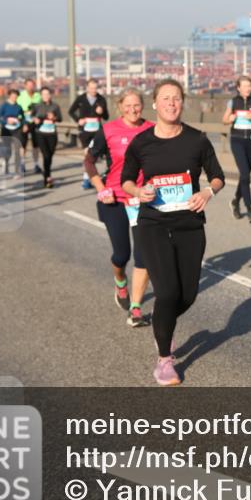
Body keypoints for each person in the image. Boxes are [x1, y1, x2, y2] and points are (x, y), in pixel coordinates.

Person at [121, 79, 225, 386]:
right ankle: (165, 359)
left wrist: (207, 193)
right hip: (152, 223)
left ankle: (162, 324)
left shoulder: (197, 140)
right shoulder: (142, 142)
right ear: (154, 104)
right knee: (167, 292)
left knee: (187, 294)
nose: (171, 103)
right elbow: (126, 180)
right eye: (165, 98)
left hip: (189, 224)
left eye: (176, 98)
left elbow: (217, 177)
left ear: (183, 103)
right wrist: (138, 191)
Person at [83, 87, 154, 328]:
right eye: (128, 105)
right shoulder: (109, 130)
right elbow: (89, 160)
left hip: (141, 200)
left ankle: (136, 308)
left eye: (137, 105)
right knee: (122, 255)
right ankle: (120, 280)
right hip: (113, 199)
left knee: (143, 254)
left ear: (142, 106)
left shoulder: (152, 129)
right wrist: (100, 188)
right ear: (120, 107)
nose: (133, 110)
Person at [221, 75, 251, 222]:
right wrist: (230, 119)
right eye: (244, 86)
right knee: (245, 174)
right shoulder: (233, 102)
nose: (247, 89)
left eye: (249, 86)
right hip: (237, 141)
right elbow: (224, 120)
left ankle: (235, 201)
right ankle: (249, 209)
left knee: (245, 176)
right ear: (238, 88)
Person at [69, 79, 108, 189]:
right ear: (87, 88)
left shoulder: (101, 99)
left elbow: (106, 117)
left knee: (95, 155)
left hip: (97, 131)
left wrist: (102, 111)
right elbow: (71, 111)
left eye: (95, 88)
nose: (93, 90)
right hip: (85, 131)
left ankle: (93, 177)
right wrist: (78, 120)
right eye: (91, 88)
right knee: (87, 154)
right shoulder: (81, 99)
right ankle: (86, 179)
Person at [31, 87, 62, 189]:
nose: (46, 96)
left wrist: (54, 117)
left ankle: (46, 172)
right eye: (44, 94)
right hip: (40, 133)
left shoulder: (55, 106)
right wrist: (35, 119)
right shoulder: (37, 106)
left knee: (50, 155)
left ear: (50, 95)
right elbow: (30, 117)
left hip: (52, 134)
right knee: (46, 155)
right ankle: (47, 177)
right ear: (41, 95)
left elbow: (60, 118)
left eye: (48, 94)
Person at [0, 88, 27, 176]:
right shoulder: (4, 106)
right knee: (7, 149)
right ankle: (5, 164)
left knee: (19, 147)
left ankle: (19, 166)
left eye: (16, 96)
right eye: (13, 96)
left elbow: (23, 117)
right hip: (6, 129)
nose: (14, 97)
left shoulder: (18, 106)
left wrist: (24, 124)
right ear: (9, 96)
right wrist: (6, 122)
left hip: (17, 129)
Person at [17, 78, 42, 174]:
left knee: (35, 145)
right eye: (29, 85)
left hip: (35, 123)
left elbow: (41, 109)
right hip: (24, 123)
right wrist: (23, 122)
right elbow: (18, 111)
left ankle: (36, 164)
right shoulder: (20, 96)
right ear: (25, 86)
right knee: (23, 144)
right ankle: (22, 164)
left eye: (32, 85)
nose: (31, 87)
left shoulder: (37, 96)